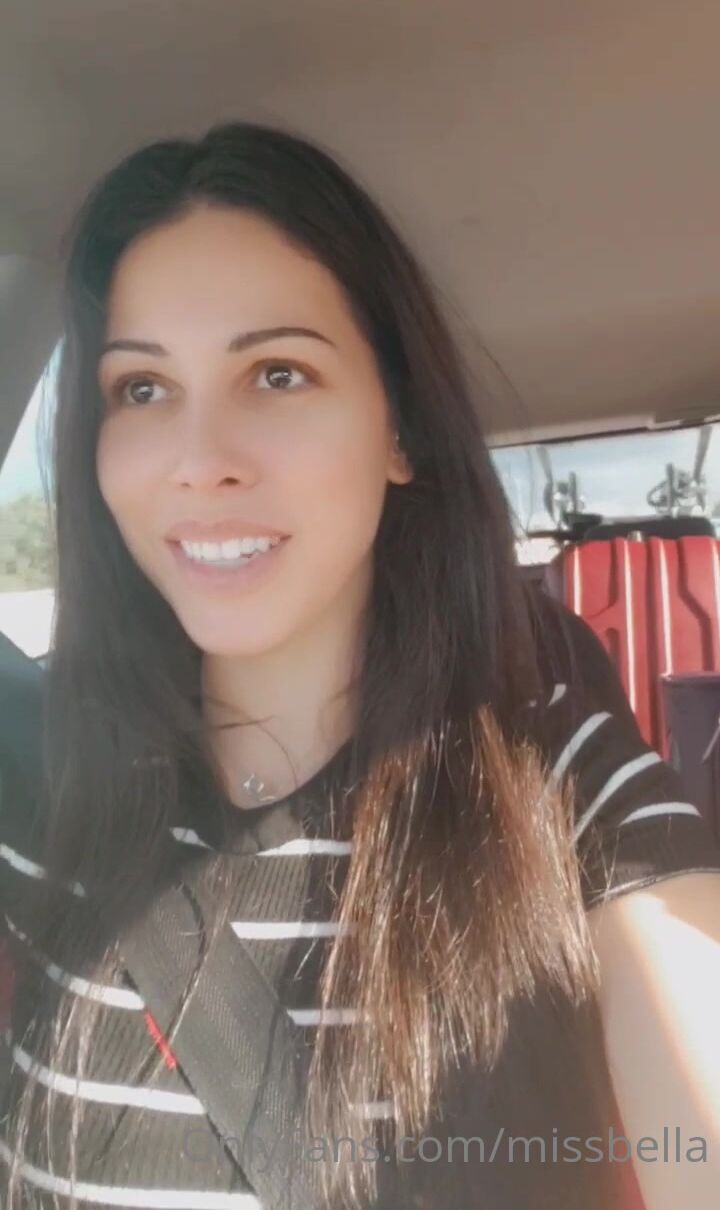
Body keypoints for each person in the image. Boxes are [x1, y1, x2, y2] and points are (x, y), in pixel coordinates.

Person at [1, 121, 719, 1210]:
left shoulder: (557, 777)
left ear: (400, 432)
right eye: (141, 389)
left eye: (277, 373)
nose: (199, 461)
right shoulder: (43, 778)